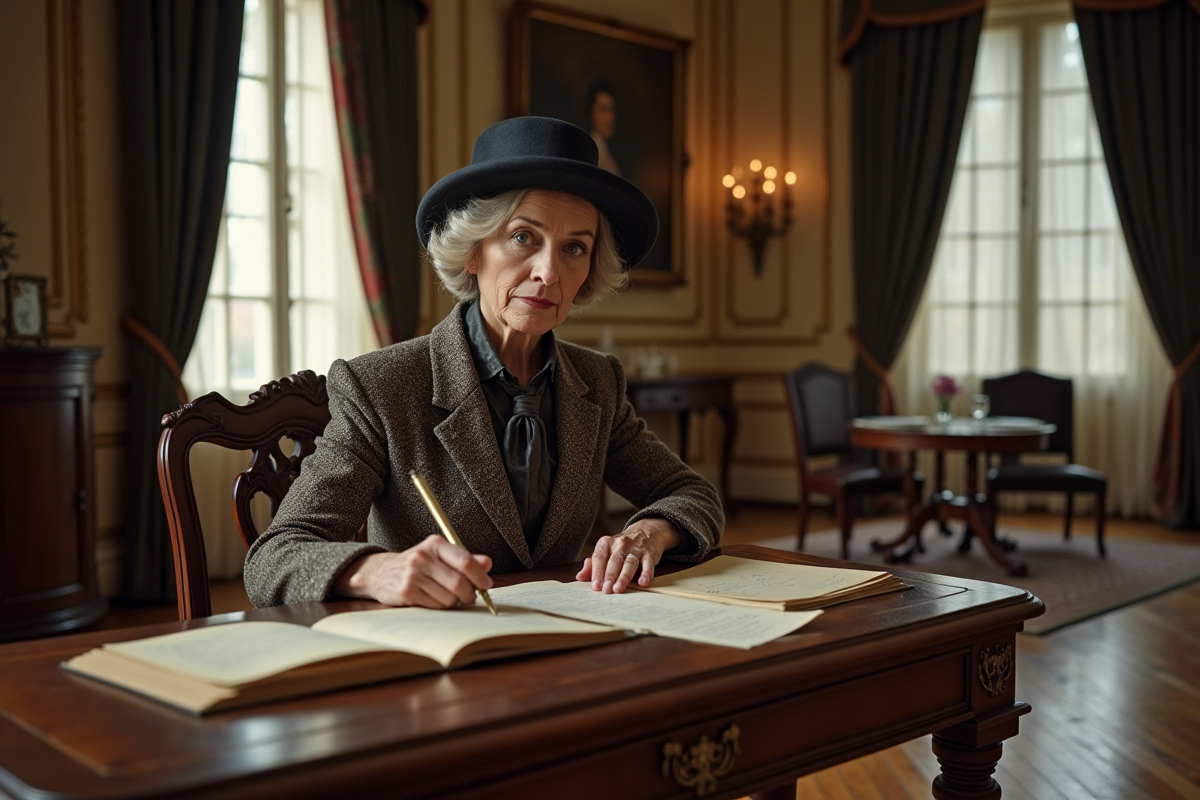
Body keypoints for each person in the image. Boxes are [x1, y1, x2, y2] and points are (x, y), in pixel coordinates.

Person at [243, 116, 723, 610]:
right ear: (473, 251)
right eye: (523, 237)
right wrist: (377, 571)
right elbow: (274, 558)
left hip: (570, 636)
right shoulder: (381, 386)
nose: (549, 272)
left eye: (574, 248)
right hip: (435, 644)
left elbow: (693, 494)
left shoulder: (597, 381)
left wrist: (651, 531)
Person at [586, 81, 621, 176]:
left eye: (612, 110)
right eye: (603, 110)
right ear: (591, 113)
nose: (610, 117)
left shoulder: (605, 153)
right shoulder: (593, 153)